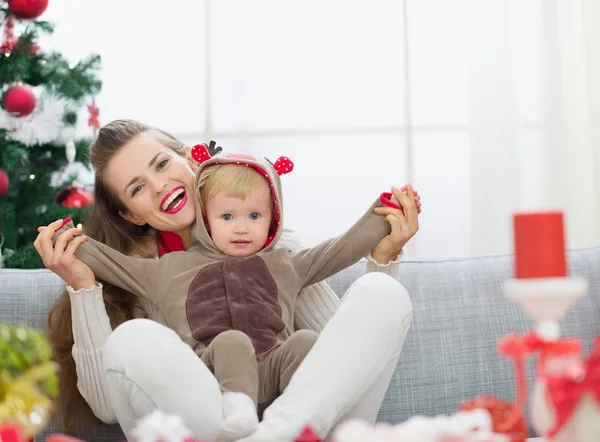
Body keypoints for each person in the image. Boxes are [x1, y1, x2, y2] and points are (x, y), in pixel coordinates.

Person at [36, 120, 421, 441]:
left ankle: (276, 436)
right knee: (132, 338)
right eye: (137, 188)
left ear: (189, 160)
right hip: (212, 431)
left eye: (161, 164)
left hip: (311, 426)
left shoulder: (275, 250)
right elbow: (106, 406)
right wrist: (84, 287)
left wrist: (382, 258)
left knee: (383, 293)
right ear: (132, 214)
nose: (158, 186)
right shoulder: (139, 278)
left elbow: (339, 361)